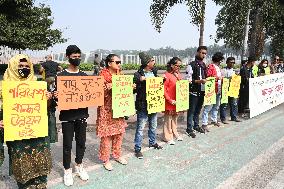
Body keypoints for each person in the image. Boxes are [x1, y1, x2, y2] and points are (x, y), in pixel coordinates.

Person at [0, 54, 52, 188]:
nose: (24, 68)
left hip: (37, 133)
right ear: (12, 67)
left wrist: (48, 99)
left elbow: (44, 110)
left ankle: (41, 185)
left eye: (26, 66)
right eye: (20, 66)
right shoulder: (4, 88)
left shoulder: (36, 84)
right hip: (17, 135)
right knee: (22, 164)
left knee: (41, 162)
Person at [55, 45, 89, 186]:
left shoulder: (84, 76)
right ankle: (67, 170)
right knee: (67, 145)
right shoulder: (61, 76)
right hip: (67, 117)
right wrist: (56, 96)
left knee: (81, 142)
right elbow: (56, 96)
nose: (77, 59)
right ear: (68, 57)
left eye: (78, 56)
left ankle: (79, 165)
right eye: (74, 57)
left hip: (82, 115)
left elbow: (90, 94)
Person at [96, 54, 133, 171]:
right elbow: (97, 91)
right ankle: (105, 159)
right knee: (106, 135)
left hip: (119, 108)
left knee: (119, 133)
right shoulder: (102, 74)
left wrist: (131, 86)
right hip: (106, 109)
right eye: (117, 62)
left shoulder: (120, 75)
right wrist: (107, 87)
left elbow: (124, 90)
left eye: (119, 62)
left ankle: (117, 155)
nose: (119, 64)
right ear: (109, 63)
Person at [133, 52, 163, 159]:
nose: (154, 62)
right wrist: (140, 80)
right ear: (147, 63)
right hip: (143, 105)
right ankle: (137, 148)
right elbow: (135, 85)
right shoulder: (138, 74)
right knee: (140, 127)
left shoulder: (154, 73)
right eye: (152, 60)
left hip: (154, 104)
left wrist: (162, 80)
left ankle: (152, 142)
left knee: (153, 126)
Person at [185, 46, 208, 138]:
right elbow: (188, 80)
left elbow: (205, 77)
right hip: (193, 91)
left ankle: (196, 125)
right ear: (197, 52)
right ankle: (189, 129)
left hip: (202, 91)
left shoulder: (204, 65)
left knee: (198, 110)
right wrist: (200, 81)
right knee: (191, 111)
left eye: (205, 53)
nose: (203, 55)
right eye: (202, 53)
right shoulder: (191, 65)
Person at [40, 55, 62, 143]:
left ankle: (50, 100)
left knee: (47, 93)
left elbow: (41, 70)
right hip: (54, 78)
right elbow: (60, 68)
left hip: (48, 78)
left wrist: (44, 70)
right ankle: (53, 99)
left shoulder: (44, 63)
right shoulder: (55, 63)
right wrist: (56, 70)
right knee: (53, 92)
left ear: (46, 58)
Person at [201, 52, 224, 132]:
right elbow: (208, 77)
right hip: (212, 90)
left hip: (218, 89)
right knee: (208, 107)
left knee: (216, 106)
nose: (221, 61)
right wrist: (218, 78)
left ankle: (214, 120)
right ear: (219, 59)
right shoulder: (210, 66)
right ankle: (204, 123)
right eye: (221, 59)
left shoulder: (218, 67)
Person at [163, 57, 183, 145]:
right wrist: (169, 100)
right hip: (169, 101)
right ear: (171, 65)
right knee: (168, 120)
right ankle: (168, 137)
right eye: (176, 65)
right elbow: (163, 89)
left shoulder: (178, 75)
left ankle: (175, 133)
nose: (178, 67)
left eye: (179, 66)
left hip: (177, 101)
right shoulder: (166, 75)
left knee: (175, 119)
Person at [220, 57, 242, 124]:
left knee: (234, 104)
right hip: (225, 90)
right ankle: (223, 118)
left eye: (233, 62)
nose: (232, 64)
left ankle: (234, 117)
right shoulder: (223, 71)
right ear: (227, 62)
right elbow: (221, 79)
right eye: (231, 62)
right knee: (224, 104)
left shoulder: (235, 71)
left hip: (233, 90)